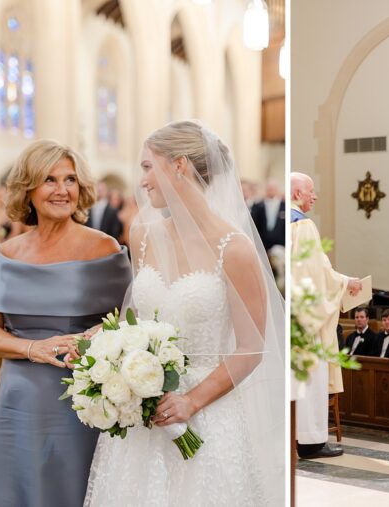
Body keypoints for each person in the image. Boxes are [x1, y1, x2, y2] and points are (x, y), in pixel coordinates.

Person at [83, 121, 285, 504]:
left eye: (147, 166)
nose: (142, 181)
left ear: (178, 165)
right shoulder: (142, 233)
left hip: (208, 414)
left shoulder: (234, 248)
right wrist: (112, 343)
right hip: (145, 412)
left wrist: (191, 401)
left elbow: (251, 348)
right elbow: (141, 320)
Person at [0, 140, 132, 507]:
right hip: (17, 400)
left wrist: (100, 336)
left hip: (80, 400)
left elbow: (131, 320)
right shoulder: (7, 254)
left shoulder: (104, 249)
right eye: (49, 179)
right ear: (28, 189)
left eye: (70, 180)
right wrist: (32, 348)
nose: (62, 190)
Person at [287, 171, 361, 460]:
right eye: (310, 191)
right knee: (310, 381)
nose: (315, 196)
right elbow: (315, 276)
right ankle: (310, 441)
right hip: (306, 322)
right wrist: (345, 283)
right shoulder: (302, 225)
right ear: (297, 194)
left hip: (290, 315)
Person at [250, 178, 286, 253]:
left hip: (280, 245)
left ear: (278, 189)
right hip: (262, 244)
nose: (271, 190)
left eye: (273, 188)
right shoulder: (257, 206)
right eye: (269, 188)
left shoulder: (285, 206)